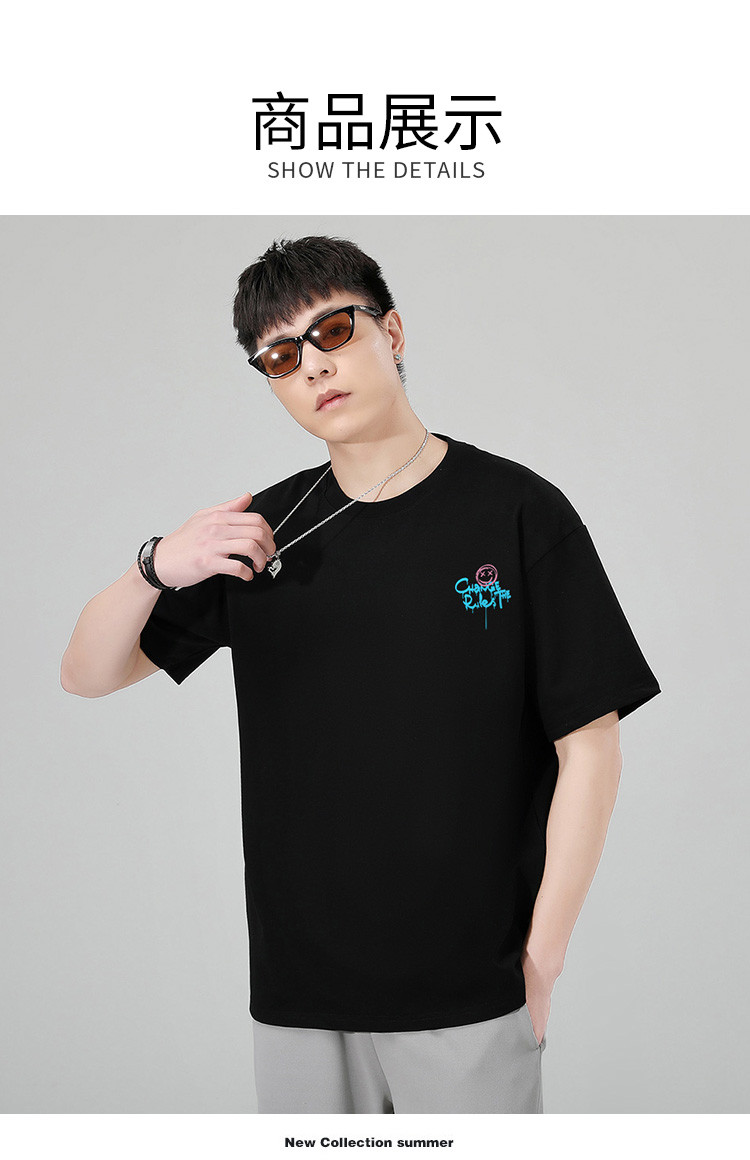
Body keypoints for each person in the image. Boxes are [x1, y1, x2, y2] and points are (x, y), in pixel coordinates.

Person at [61, 234, 661, 1114]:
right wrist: (156, 566)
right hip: (299, 995)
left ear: (394, 332)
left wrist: (544, 955)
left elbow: (591, 748)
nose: (312, 367)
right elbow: (87, 672)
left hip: (468, 988)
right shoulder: (263, 535)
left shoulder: (516, 511)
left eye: (334, 331)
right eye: (280, 356)